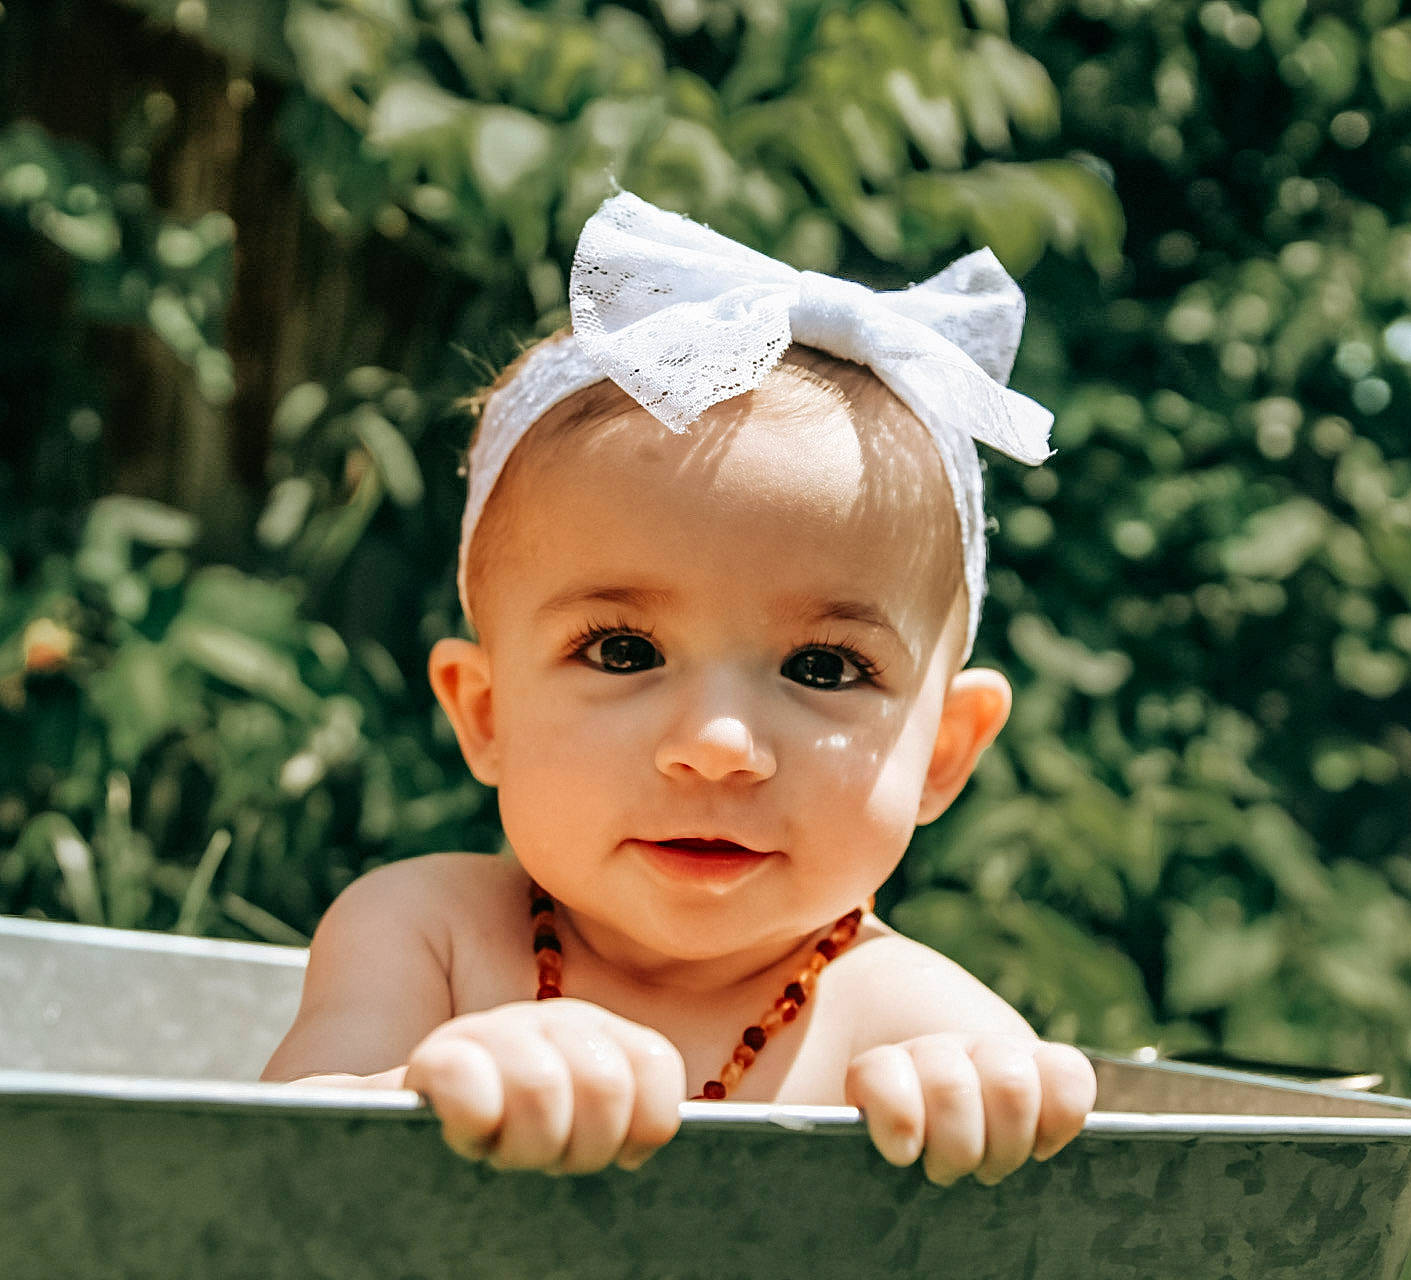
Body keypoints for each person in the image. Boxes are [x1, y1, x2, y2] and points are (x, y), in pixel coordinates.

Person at [262, 192, 1097, 1186]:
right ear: (485, 713)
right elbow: (265, 1166)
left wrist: (984, 1110)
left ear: (946, 751)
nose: (717, 741)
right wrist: (424, 1091)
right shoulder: (424, 933)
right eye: (621, 649)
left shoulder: (911, 1021)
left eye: (823, 666)